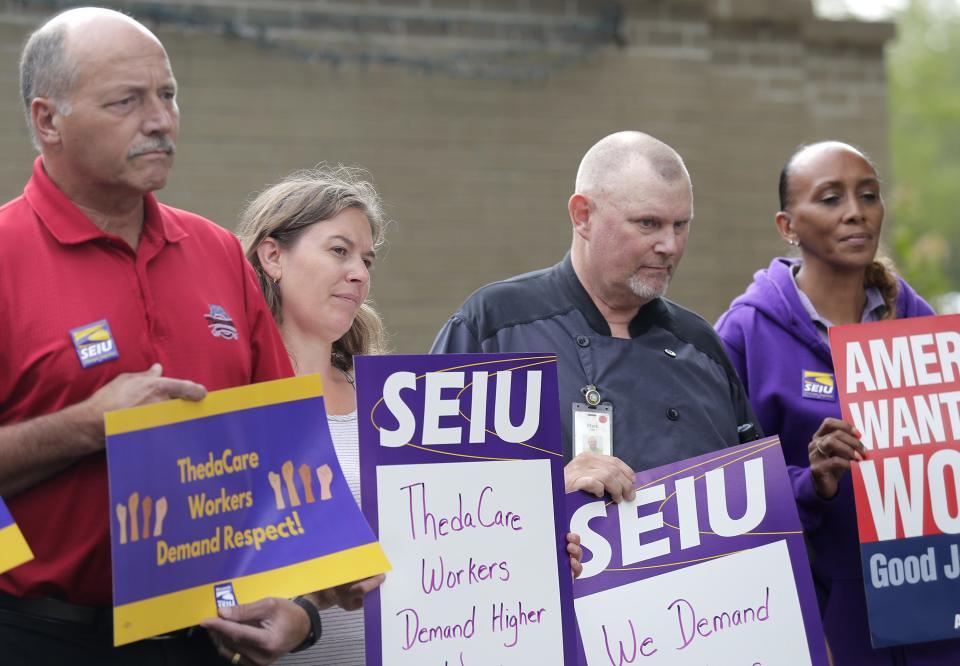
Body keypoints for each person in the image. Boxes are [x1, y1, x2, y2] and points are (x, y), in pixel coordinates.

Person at [0, 8, 319, 664]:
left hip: (205, 640)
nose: (160, 120)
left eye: (168, 95)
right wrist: (85, 425)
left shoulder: (216, 252)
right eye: (126, 101)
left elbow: (288, 448)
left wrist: (303, 604)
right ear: (46, 120)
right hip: (42, 635)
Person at [234, 166, 585, 665]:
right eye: (339, 251)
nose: (359, 273)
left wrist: (532, 552)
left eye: (366, 259)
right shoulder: (233, 402)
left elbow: (458, 541)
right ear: (273, 255)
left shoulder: (397, 409)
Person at [715, 141, 957, 664]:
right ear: (788, 226)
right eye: (830, 198)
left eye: (868, 195)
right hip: (826, 630)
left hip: (936, 622)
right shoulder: (744, 334)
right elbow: (719, 493)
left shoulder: (923, 329)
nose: (856, 211)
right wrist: (812, 481)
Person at [431, 131, 759, 500]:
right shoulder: (495, 326)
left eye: (680, 225)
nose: (669, 245)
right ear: (583, 216)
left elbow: (755, 503)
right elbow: (429, 502)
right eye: (648, 223)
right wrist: (553, 491)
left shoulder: (702, 347)